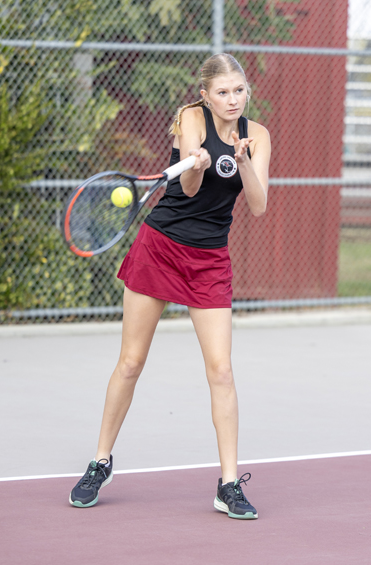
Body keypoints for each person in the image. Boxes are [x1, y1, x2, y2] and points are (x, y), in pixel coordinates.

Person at [69, 53, 271, 520]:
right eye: (222, 92)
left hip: (209, 260)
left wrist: (242, 162)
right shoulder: (188, 119)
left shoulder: (256, 135)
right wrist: (196, 163)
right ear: (205, 95)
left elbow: (257, 205)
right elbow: (194, 190)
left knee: (221, 370)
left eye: (238, 90)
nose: (232, 99)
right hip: (161, 247)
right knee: (131, 362)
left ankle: (227, 485)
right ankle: (100, 462)